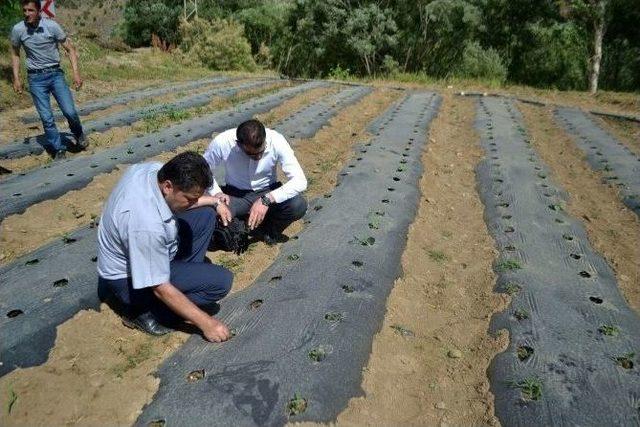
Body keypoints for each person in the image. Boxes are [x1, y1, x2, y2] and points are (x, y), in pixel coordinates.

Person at [97, 151, 234, 342]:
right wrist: (207, 324)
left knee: (205, 215)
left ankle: (185, 277)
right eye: (189, 198)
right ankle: (146, 313)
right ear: (168, 186)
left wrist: (214, 201)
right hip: (128, 280)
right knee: (221, 281)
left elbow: (188, 202)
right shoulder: (146, 225)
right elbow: (159, 286)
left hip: (146, 251)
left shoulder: (152, 171)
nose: (194, 202)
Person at [204, 119, 308, 245]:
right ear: (238, 144)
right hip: (235, 196)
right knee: (211, 213)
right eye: (251, 154)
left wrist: (267, 199)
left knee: (298, 205)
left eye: (261, 152)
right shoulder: (223, 142)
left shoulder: (276, 140)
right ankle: (245, 224)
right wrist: (216, 193)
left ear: (265, 138)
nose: (257, 157)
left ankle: (269, 230)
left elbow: (300, 180)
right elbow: (203, 169)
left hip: (267, 191)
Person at [10, 0, 88, 159]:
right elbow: (15, 53)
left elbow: (70, 49)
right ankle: (58, 148)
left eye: (30, 10)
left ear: (39, 11)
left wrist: (76, 74)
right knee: (46, 117)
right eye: (24, 10)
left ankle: (78, 133)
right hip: (35, 79)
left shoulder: (52, 27)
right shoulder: (18, 29)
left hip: (55, 75)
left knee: (70, 112)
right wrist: (17, 78)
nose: (26, 14)